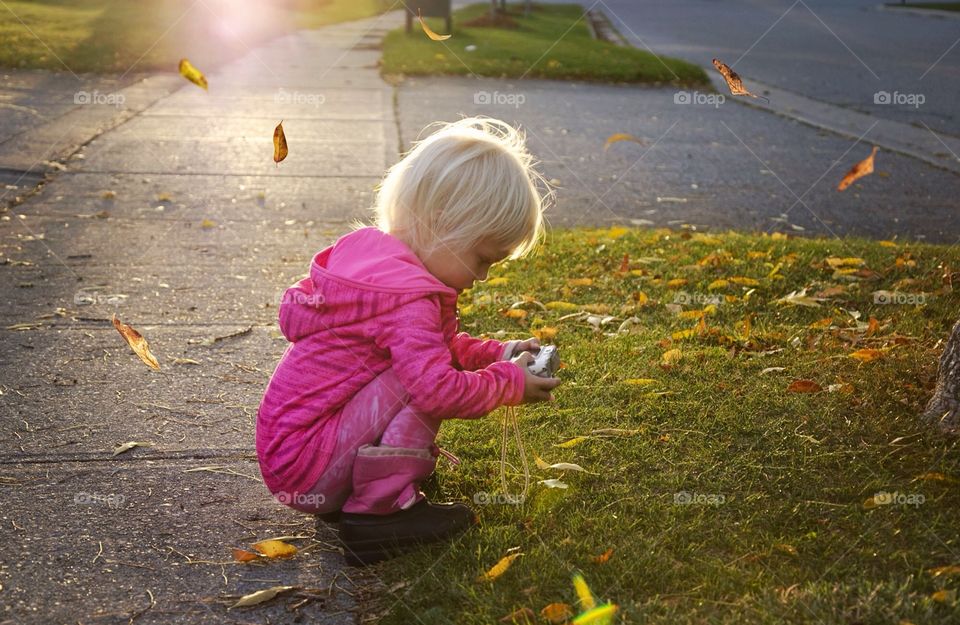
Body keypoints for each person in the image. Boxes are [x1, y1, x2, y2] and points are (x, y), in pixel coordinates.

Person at [256, 117, 560, 566]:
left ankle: (376, 484)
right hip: (308, 467)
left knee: (417, 365)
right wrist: (507, 384)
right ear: (442, 224)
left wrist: (500, 353)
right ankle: (379, 514)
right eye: (482, 258)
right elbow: (435, 387)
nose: (481, 276)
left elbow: (443, 345)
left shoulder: (383, 270)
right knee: (419, 379)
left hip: (296, 455)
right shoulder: (408, 299)